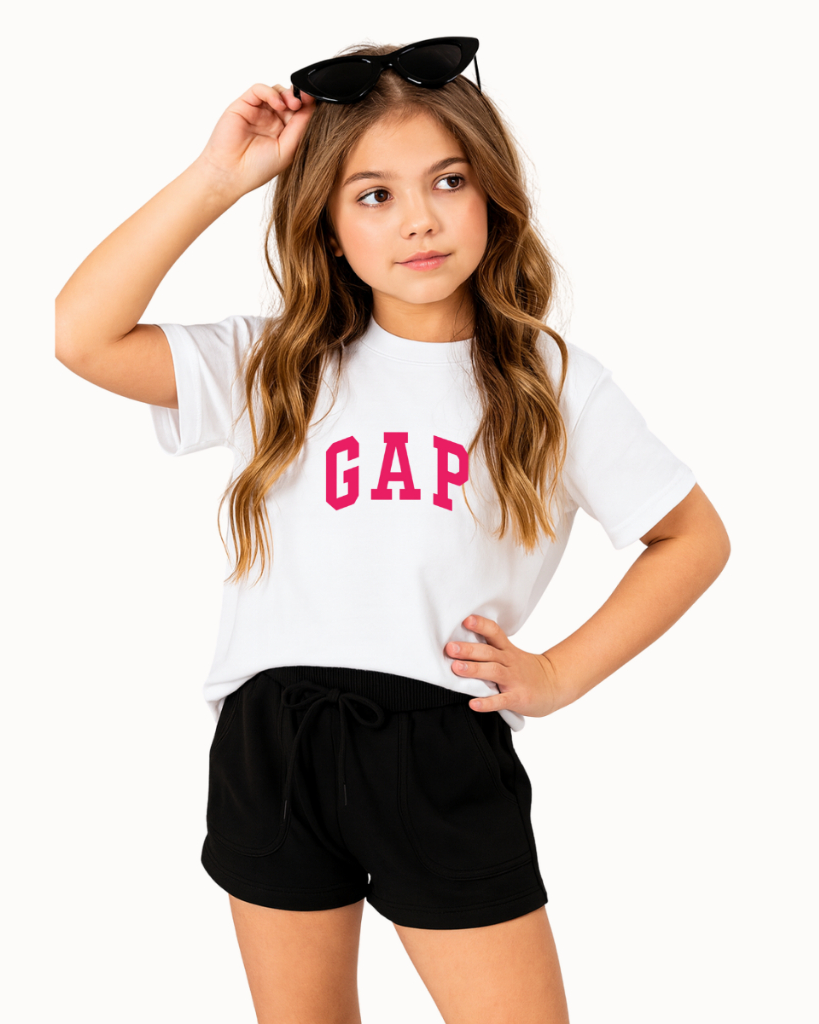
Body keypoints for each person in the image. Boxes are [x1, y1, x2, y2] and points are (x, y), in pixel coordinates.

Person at [55, 36, 730, 1024]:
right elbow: (83, 335)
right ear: (327, 228)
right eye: (373, 195)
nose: (419, 218)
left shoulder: (551, 382)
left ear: (491, 194)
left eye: (448, 181)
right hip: (271, 739)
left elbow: (692, 538)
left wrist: (559, 672)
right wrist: (218, 179)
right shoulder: (278, 365)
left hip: (436, 744)